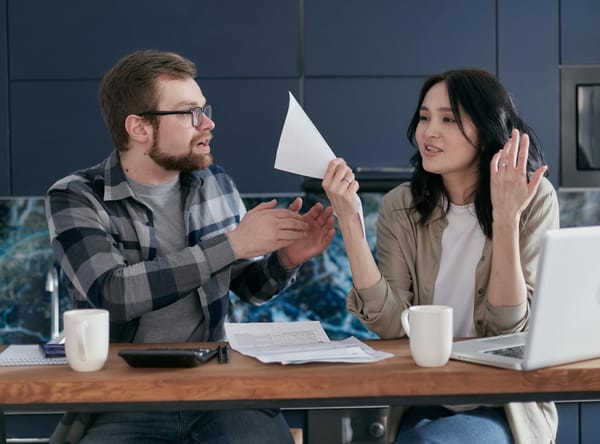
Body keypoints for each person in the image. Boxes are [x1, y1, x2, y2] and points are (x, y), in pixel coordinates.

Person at [45, 49, 335, 444]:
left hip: (218, 389)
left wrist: (285, 260)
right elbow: (111, 293)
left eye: (205, 109)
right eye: (189, 113)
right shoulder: (76, 196)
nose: (208, 123)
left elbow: (247, 288)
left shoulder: (215, 183)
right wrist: (233, 243)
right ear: (139, 128)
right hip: (122, 395)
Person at [322, 68, 559, 444]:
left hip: (502, 402)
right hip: (423, 394)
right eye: (424, 117)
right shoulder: (401, 205)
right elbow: (389, 324)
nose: (428, 131)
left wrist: (506, 217)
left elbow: (508, 327)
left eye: (448, 119)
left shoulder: (533, 197)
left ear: (485, 130)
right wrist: (350, 221)